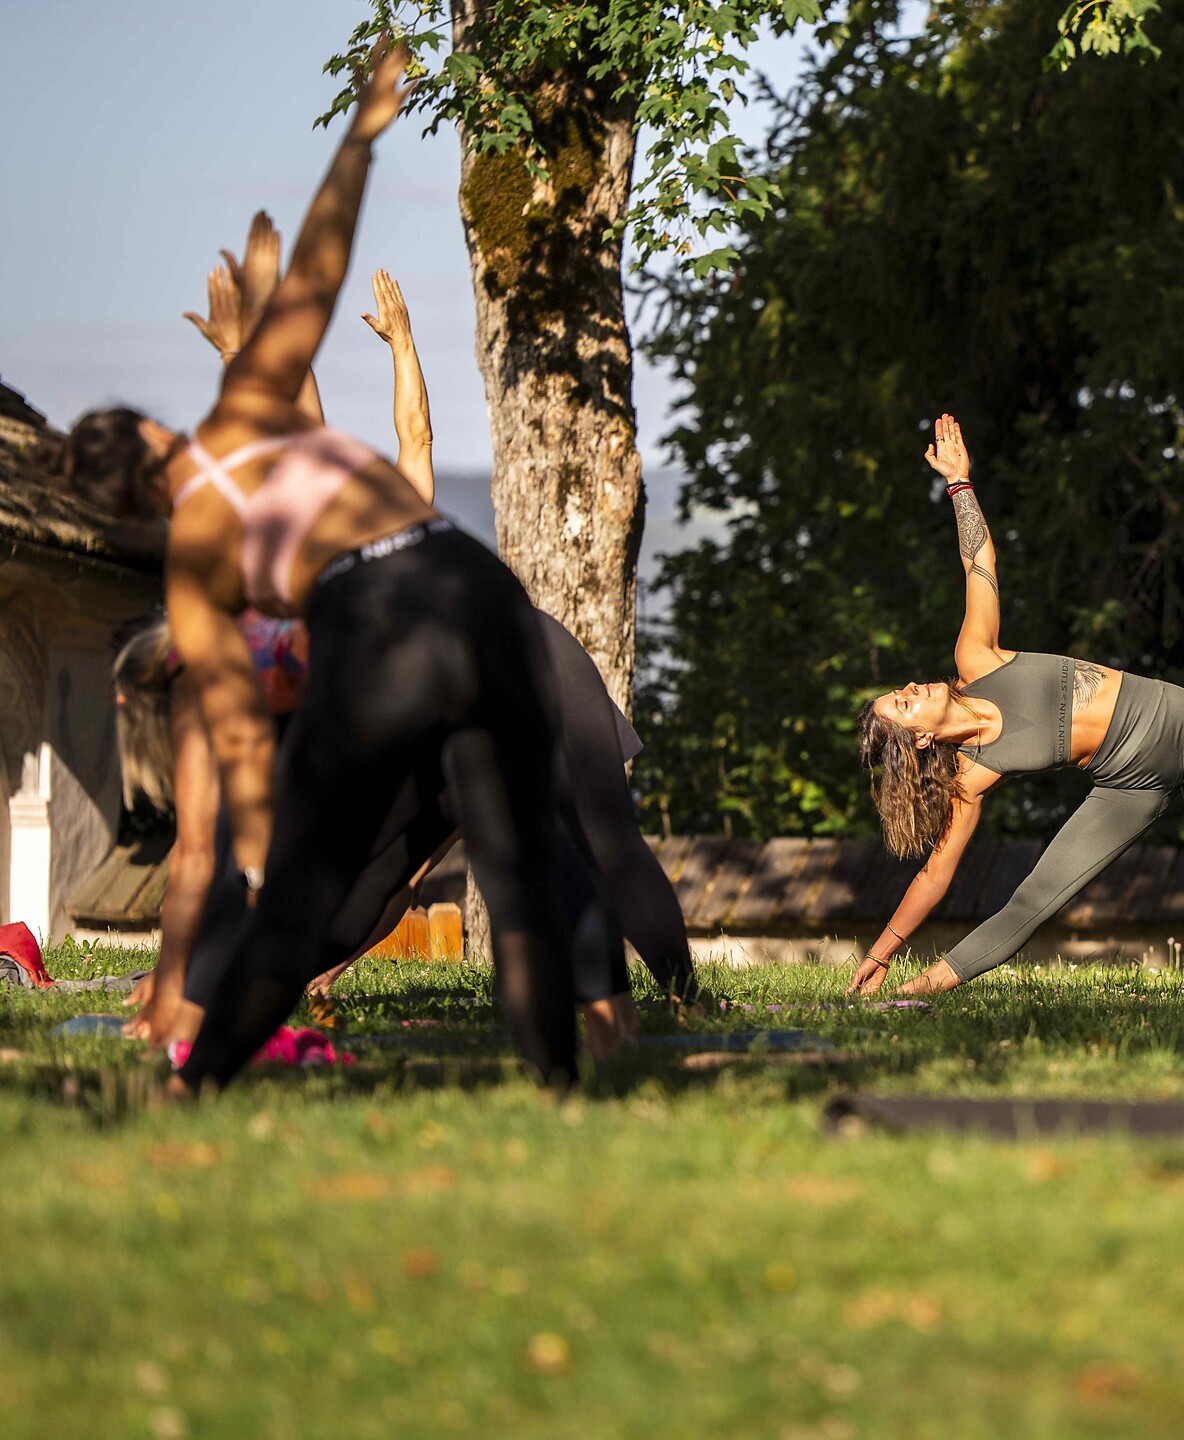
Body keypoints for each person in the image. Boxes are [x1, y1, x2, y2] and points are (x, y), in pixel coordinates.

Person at [53, 39, 579, 1092]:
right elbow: (320, 275)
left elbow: (241, 728)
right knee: (517, 877)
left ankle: (190, 1084)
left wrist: (263, 838)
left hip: (377, 622)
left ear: (125, 505)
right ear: (160, 434)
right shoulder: (249, 399)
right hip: (470, 581)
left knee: (296, 910)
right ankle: (562, 1096)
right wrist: (360, 139)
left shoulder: (196, 564)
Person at [118, 225, 704, 1057]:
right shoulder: (338, 585)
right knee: (453, 851)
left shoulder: (337, 575)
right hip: (470, 667)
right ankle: (617, 1020)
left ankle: (665, 1002)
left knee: (586, 839)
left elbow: (333, 430)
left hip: (510, 660)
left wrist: (344, 350)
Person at [848, 415, 1184, 1002]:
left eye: (902, 687)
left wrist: (960, 485)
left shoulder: (977, 658)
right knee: (1031, 902)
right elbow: (936, 876)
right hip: (1125, 786)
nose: (911, 686)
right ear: (918, 742)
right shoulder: (969, 777)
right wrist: (882, 952)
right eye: (903, 705)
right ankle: (912, 994)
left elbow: (978, 562)